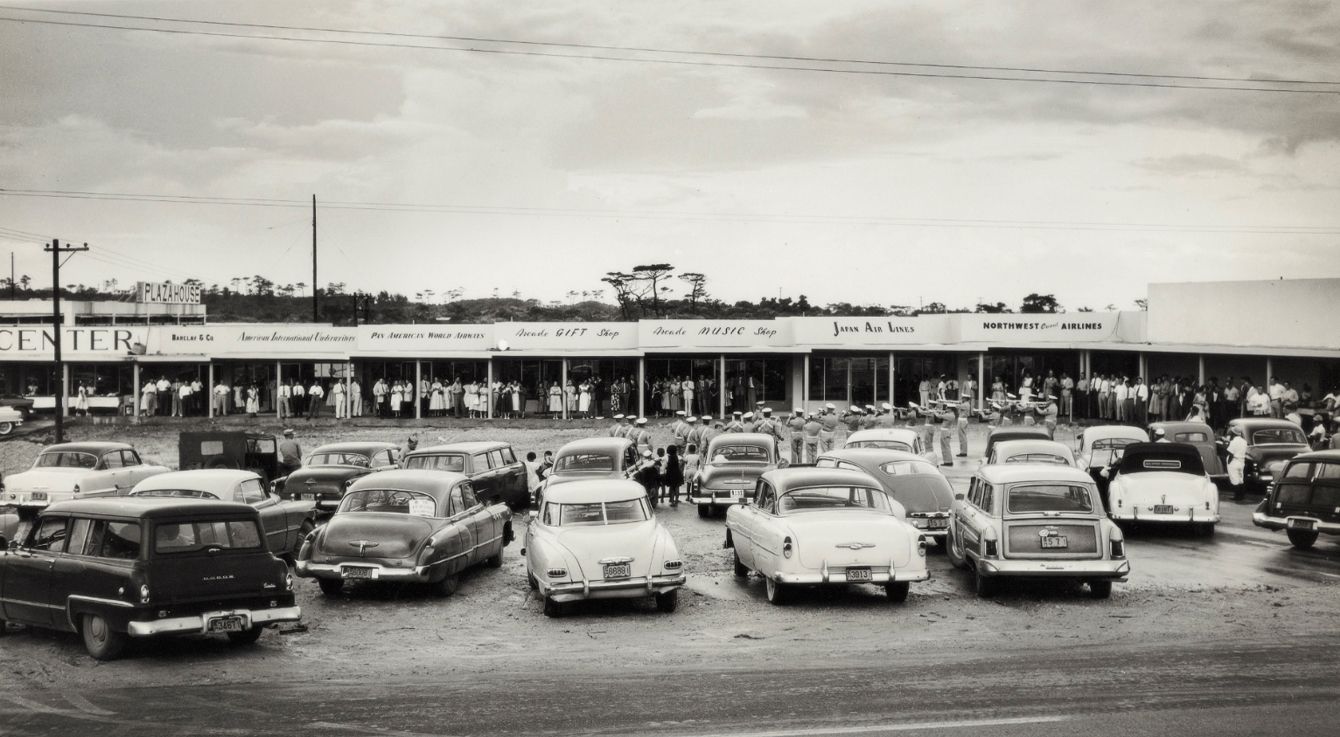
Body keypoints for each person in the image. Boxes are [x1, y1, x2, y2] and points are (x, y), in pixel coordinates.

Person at [1226, 425, 1249, 501]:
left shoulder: (1233, 442)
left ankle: (1237, 496)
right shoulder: (1244, 442)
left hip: (1234, 461)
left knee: (1234, 479)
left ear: (1233, 433)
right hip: (1241, 461)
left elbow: (1231, 453)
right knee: (1240, 479)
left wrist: (1229, 462)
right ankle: (1241, 495)